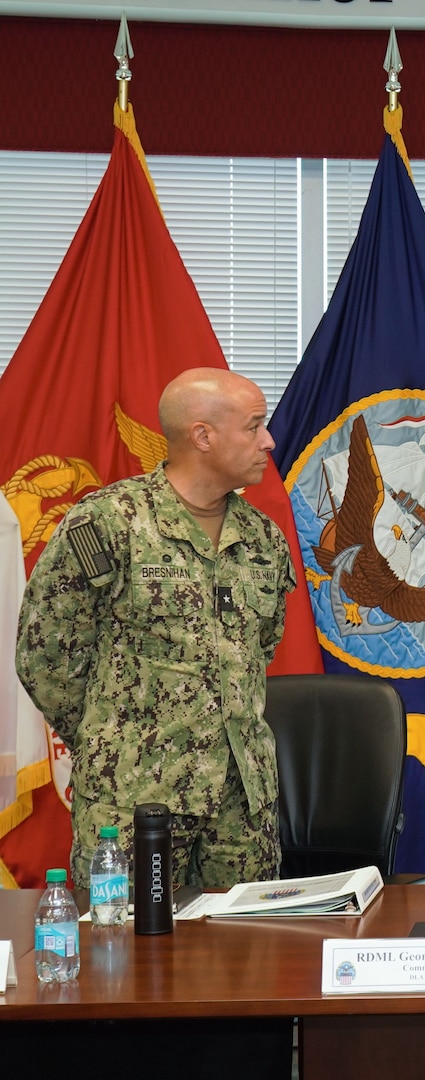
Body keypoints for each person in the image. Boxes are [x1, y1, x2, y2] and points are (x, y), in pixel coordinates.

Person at [16, 368, 295, 887]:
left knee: (247, 960)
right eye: (254, 426)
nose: (269, 441)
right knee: (122, 954)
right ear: (203, 435)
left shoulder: (261, 538)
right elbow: (47, 655)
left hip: (241, 807)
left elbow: (259, 649)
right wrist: (115, 740)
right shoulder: (108, 523)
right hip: (134, 799)